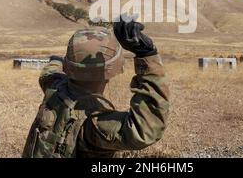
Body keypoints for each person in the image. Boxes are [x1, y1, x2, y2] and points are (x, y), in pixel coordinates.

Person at [22, 19, 170, 158]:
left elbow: (48, 73)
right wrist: (147, 55)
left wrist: (57, 60)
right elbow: (145, 131)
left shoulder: (54, 87)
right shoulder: (95, 123)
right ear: (115, 69)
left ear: (68, 66)